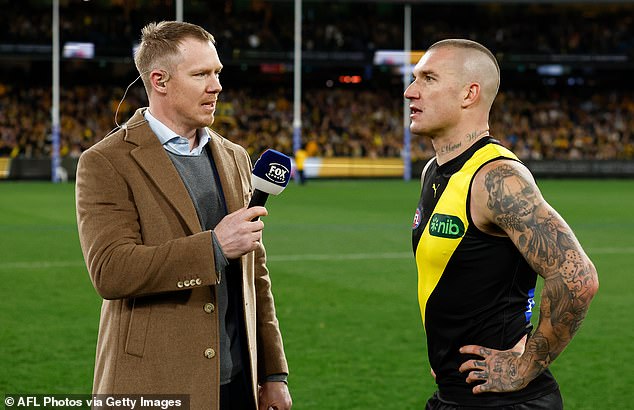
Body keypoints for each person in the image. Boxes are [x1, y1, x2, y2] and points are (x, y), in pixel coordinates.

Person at [75, 21, 292, 410]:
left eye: (217, 73)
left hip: (239, 383)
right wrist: (212, 247)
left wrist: (273, 373)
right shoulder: (106, 162)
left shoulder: (236, 157)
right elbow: (110, 270)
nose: (217, 86)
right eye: (201, 74)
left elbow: (255, 271)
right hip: (156, 383)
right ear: (159, 80)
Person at [405, 39, 599, 409]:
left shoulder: (497, 178)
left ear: (469, 94)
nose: (410, 91)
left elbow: (578, 279)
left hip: (507, 402)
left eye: (427, 79)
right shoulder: (433, 171)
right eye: (415, 78)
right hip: (457, 394)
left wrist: (524, 367)